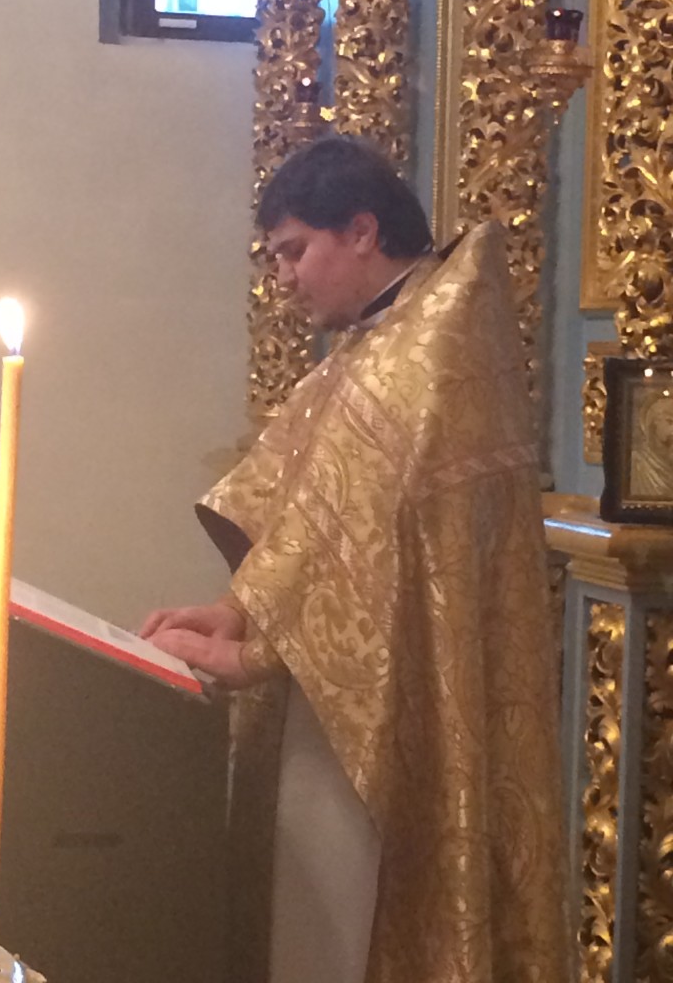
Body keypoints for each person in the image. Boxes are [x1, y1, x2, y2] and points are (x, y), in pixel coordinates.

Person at [140, 135, 568, 983]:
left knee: (344, 931)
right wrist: (237, 613)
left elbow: (374, 536)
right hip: (329, 692)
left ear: (363, 231)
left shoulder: (430, 356)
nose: (283, 278)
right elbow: (316, 521)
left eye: (295, 251)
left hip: (391, 701)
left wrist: (252, 654)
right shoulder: (376, 347)